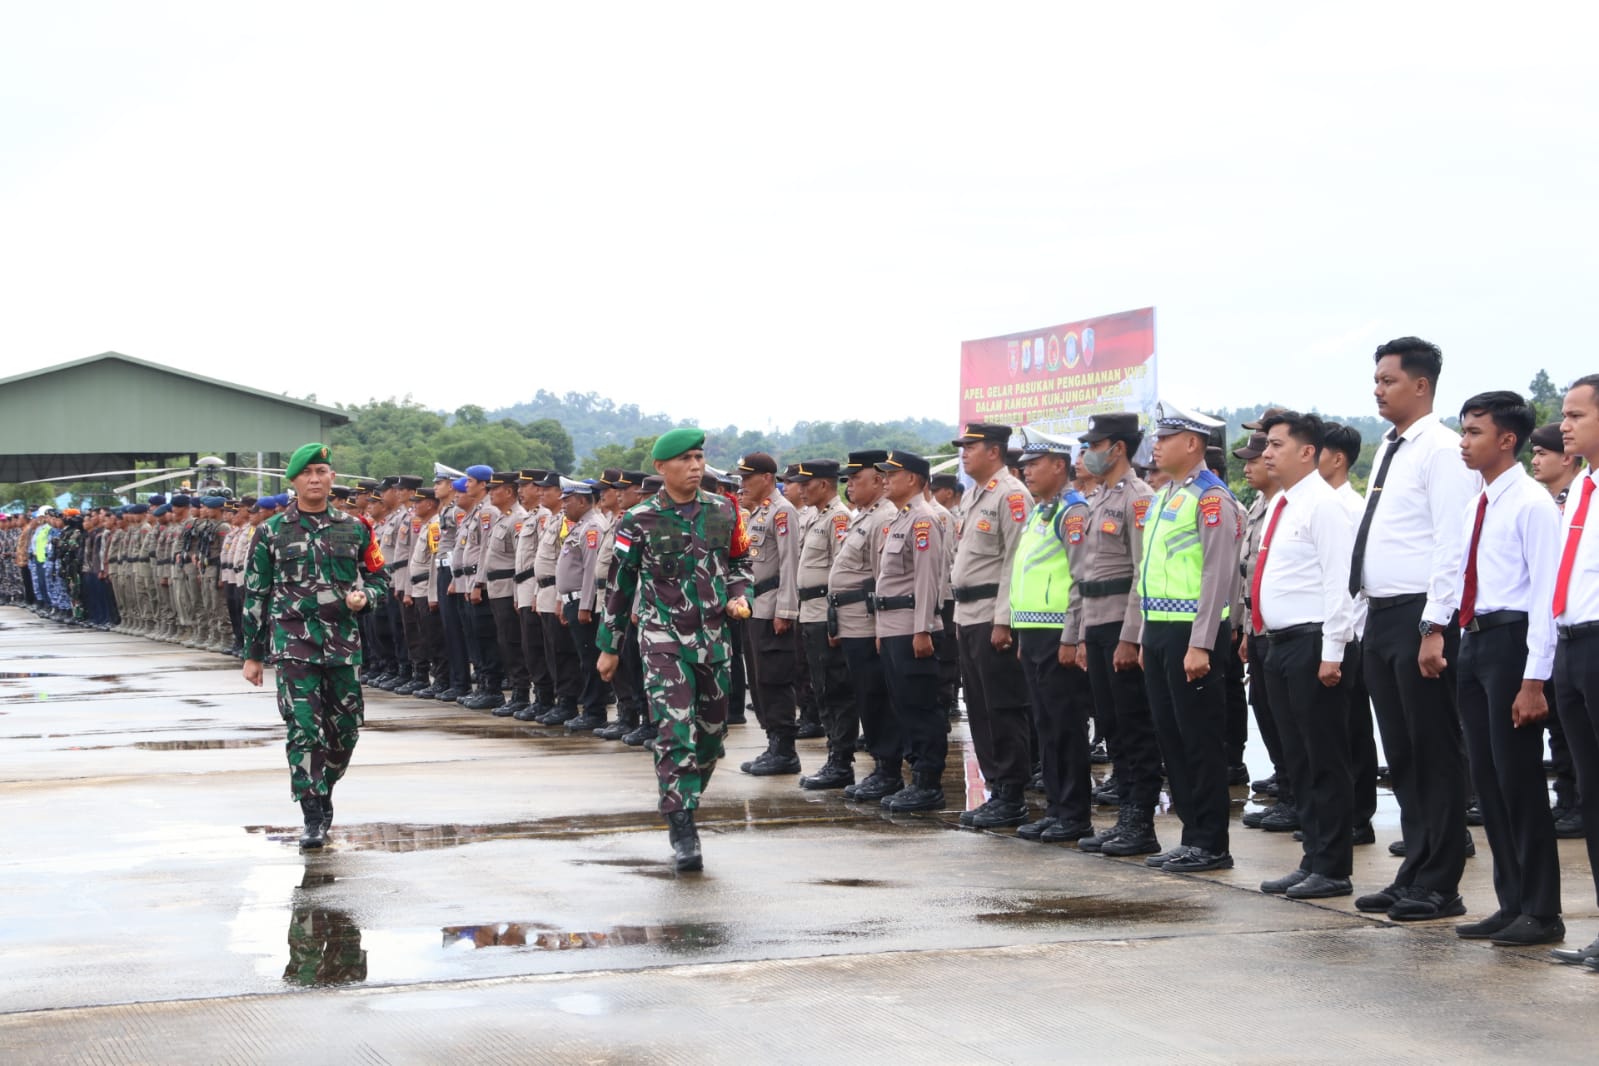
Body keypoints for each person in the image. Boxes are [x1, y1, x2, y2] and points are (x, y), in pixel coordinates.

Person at [1351, 337, 1479, 922]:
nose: (1378, 389)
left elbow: (1451, 545)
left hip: (1419, 617)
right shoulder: (1390, 449)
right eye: (1376, 380)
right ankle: (1415, 870)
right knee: (1401, 754)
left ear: (1421, 385)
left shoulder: (1443, 450)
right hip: (1382, 615)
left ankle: (1441, 882)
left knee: (1434, 750)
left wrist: (1435, 625)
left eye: (1388, 380)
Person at [596, 428, 752, 871]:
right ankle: (682, 824)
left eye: (699, 456)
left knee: (712, 736)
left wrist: (742, 594)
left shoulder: (724, 511)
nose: (695, 465)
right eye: (684, 459)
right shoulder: (639, 519)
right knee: (674, 730)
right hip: (663, 640)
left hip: (715, 640)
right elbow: (619, 586)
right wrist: (610, 646)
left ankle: (682, 795)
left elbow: (741, 562)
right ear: (662, 468)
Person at [1447, 391, 1564, 946]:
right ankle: (1510, 901)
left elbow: (1544, 595)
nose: (1464, 442)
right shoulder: (1480, 502)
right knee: (1489, 780)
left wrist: (1534, 678)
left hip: (1514, 642)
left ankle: (1542, 911)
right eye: (1464, 431)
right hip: (1475, 639)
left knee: (1519, 780)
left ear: (1507, 440)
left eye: (1474, 432)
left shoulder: (1531, 504)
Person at [242, 443, 388, 850]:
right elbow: (256, 594)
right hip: (293, 646)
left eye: (322, 471)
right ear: (294, 481)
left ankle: (325, 787)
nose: (315, 479)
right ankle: (312, 812)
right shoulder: (271, 531)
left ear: (332, 478)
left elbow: (380, 579)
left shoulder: (356, 528)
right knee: (304, 730)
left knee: (345, 733)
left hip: (342, 646)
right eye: (307, 473)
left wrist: (367, 598)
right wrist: (253, 654)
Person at [1252, 411, 1358, 900]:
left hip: (1315, 644)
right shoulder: (1283, 504)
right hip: (1279, 644)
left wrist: (1333, 651)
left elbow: (1341, 583)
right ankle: (1312, 857)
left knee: (1324, 759)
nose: (1266, 452)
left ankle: (1333, 866)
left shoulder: (1325, 505)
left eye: (1275, 444)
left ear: (1307, 452)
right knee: (1298, 760)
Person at [1138, 411, 1242, 873]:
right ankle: (1190, 834)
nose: (1157, 445)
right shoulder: (1165, 497)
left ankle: (1211, 841)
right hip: (1160, 630)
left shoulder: (1211, 498)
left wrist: (1200, 644)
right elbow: (1149, 574)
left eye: (1167, 437)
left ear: (1194, 445)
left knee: (1199, 738)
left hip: (1193, 634)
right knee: (1172, 737)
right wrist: (1144, 636)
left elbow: (1216, 574)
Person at [1067, 412, 1163, 856]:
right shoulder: (1099, 498)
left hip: (1122, 626)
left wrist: (1131, 636)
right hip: (1098, 623)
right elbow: (1086, 575)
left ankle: (1140, 821)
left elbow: (1142, 573)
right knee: (1110, 724)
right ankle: (1125, 813)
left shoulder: (1137, 498)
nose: (1088, 452)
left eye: (1095, 444)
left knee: (1133, 726)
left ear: (1117, 448)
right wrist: (1084, 634)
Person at [1007, 438, 1093, 843]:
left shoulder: (1073, 512)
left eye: (1034, 463)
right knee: (1045, 725)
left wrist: (1072, 636)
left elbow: (1080, 580)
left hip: (1059, 631)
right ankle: (1057, 808)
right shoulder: (1041, 512)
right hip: (1035, 631)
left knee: (1065, 726)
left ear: (1059, 466)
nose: (1026, 470)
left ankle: (1074, 813)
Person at [949, 423, 1034, 828]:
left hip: (992, 616)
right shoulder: (973, 495)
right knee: (979, 709)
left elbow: (1015, 562)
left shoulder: (1012, 494)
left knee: (1002, 707)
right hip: (968, 615)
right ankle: (996, 788)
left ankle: (1012, 794)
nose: (964, 453)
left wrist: (1004, 620)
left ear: (995, 452)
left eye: (971, 446)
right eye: (962, 447)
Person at [1549, 376, 1599, 967]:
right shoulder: (1581, 487)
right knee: (1590, 793)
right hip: (1571, 647)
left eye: (1576, 414)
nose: (1564, 425)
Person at [871, 450, 948, 812]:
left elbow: (927, 580)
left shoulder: (923, 521)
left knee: (920, 707)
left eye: (892, 473)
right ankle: (916, 776)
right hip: (892, 626)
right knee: (903, 705)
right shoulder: (900, 520)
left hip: (912, 627)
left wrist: (923, 630)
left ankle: (928, 783)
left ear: (914, 479)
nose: (885, 479)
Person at [1235, 432, 1295, 832]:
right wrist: (1243, 630)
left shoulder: (1289, 506)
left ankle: (1294, 797)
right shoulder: (1261, 505)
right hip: (1255, 626)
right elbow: (1246, 576)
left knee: (1286, 717)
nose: (1252, 466)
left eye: (1257, 459)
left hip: (1282, 628)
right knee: (1266, 711)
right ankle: (1287, 787)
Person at [1529, 421, 1584, 838]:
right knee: (1561, 726)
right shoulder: (1555, 501)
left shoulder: (1573, 500)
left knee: (1570, 729)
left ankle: (1576, 801)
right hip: (1555, 630)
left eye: (1542, 452)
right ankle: (1569, 798)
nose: (1535, 460)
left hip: (1581, 628)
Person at [789, 460, 857, 789]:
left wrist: (835, 620)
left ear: (826, 485)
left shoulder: (839, 517)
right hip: (809, 612)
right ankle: (835, 755)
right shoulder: (817, 516)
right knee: (821, 688)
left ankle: (841, 761)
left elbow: (840, 574)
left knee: (836, 689)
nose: (800, 489)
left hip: (825, 614)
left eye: (807, 483)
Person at [737, 452, 804, 775]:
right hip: (755, 607)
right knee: (760, 678)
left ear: (766, 478)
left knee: (775, 679)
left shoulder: (782, 512)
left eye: (748, 478)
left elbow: (791, 563)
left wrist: (787, 610)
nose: (742, 484)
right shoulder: (758, 513)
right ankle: (772, 741)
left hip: (774, 606)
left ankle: (785, 749)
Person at [557, 478, 611, 731]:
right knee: (582, 658)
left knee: (590, 659)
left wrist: (586, 605)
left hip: (582, 601)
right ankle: (589, 708)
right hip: (573, 599)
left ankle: (594, 711)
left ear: (581, 500)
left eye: (567, 500)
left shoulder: (592, 527)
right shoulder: (580, 526)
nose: (563, 504)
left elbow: (592, 570)